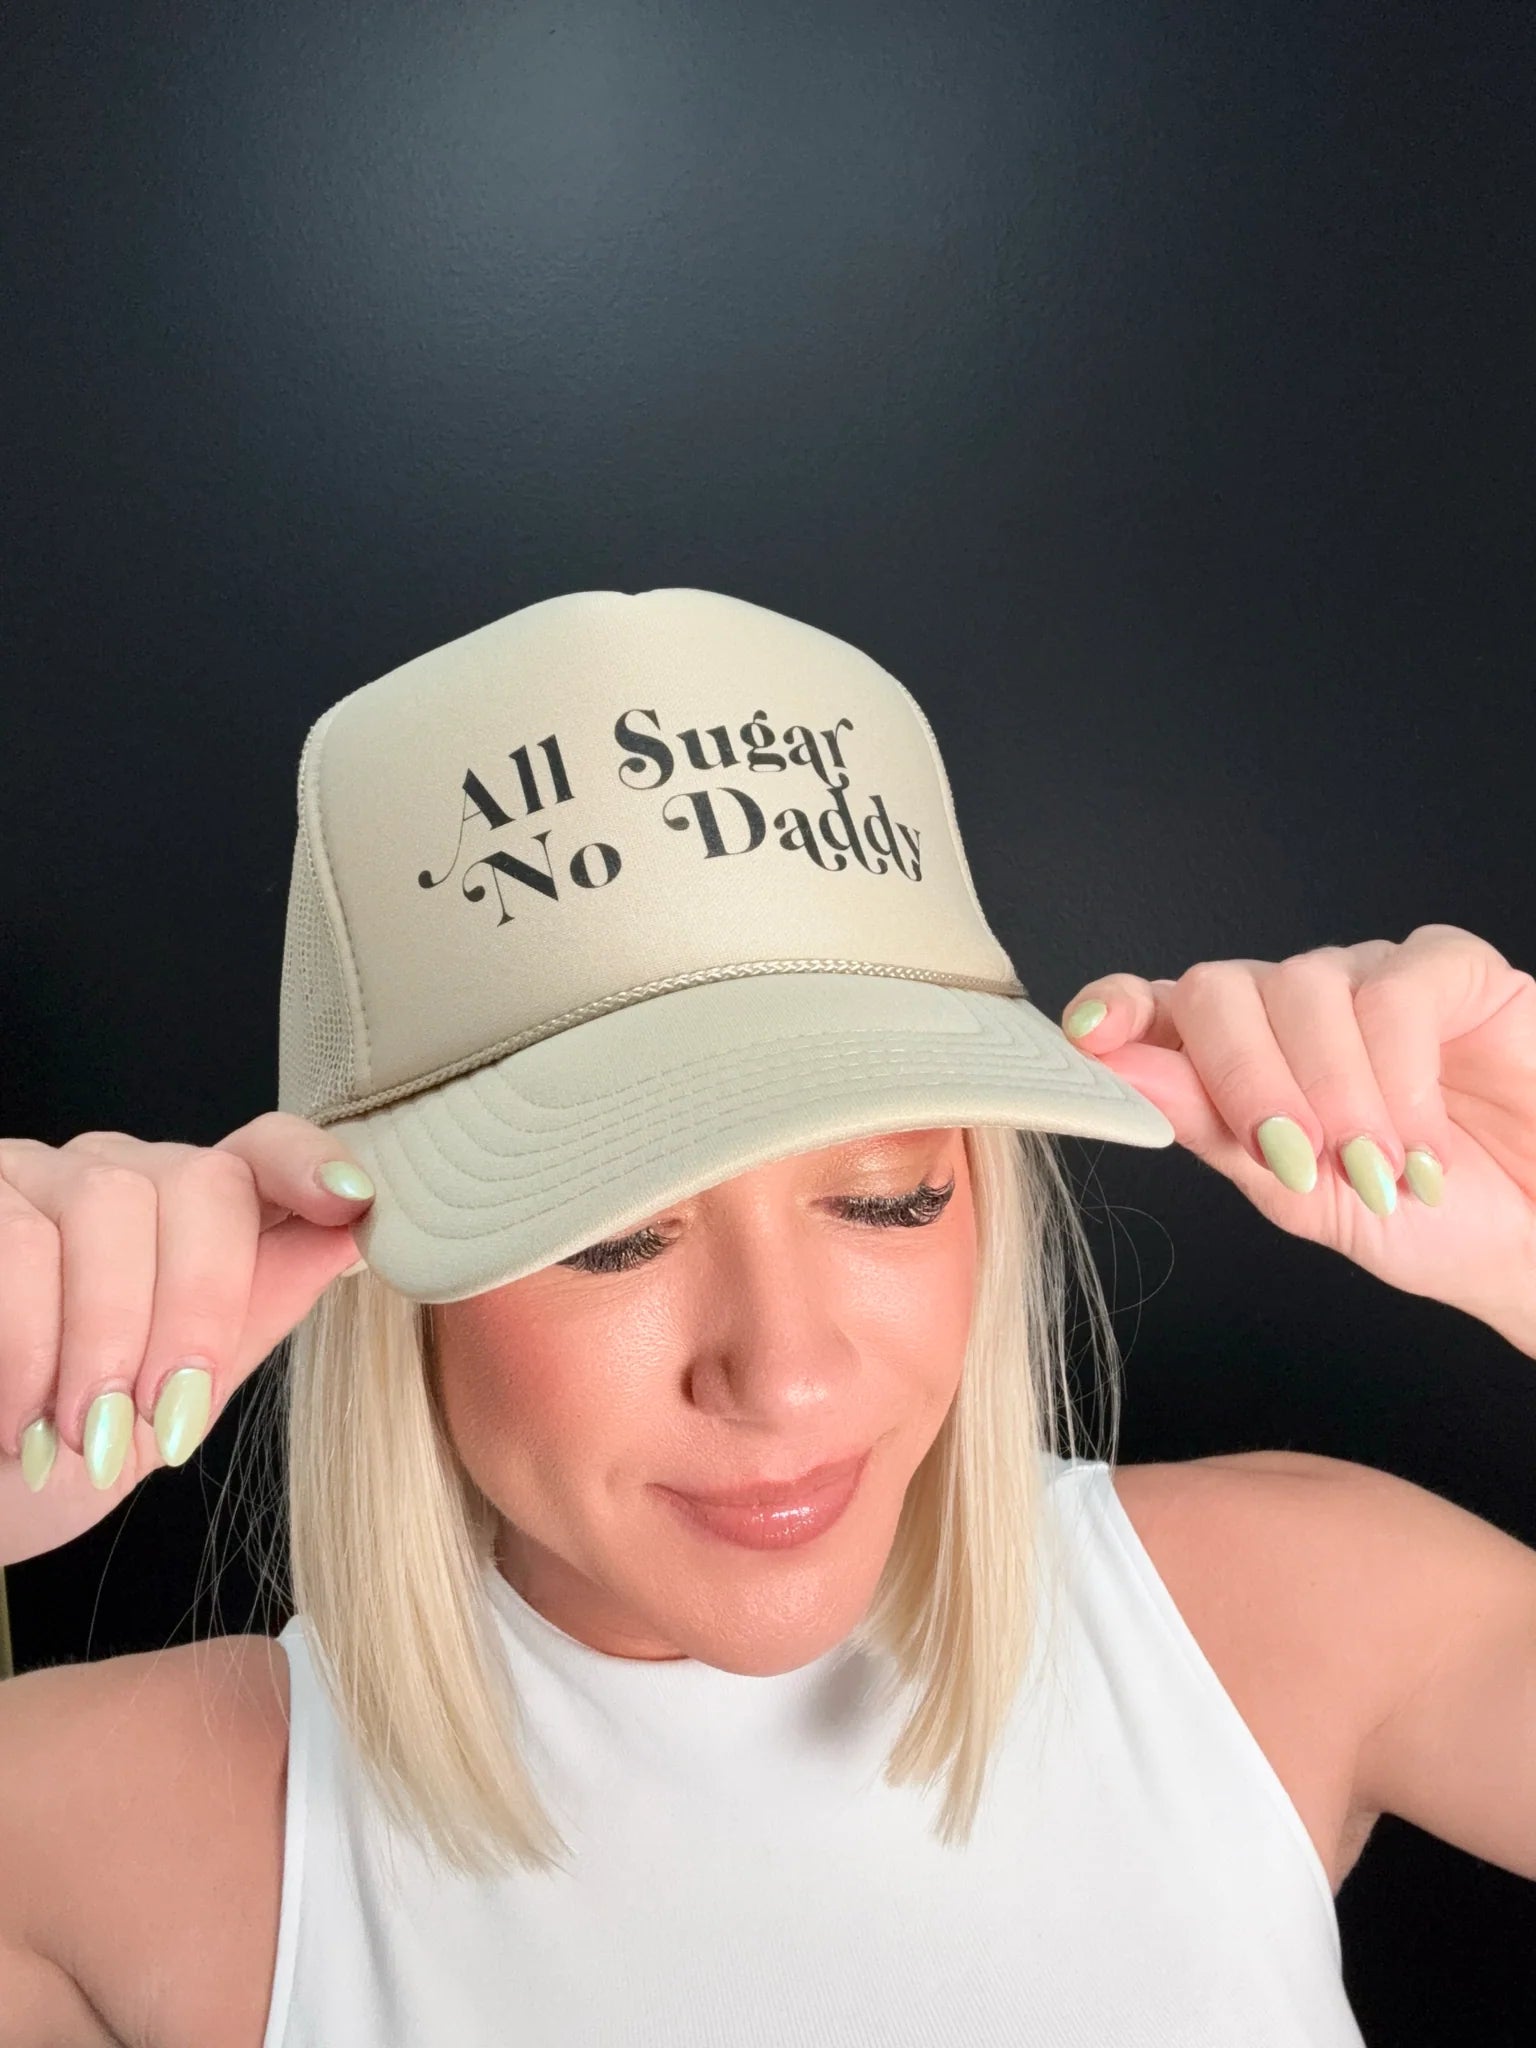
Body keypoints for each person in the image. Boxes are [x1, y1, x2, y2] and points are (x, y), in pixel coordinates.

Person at [0, 587, 1532, 2048]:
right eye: (611, 1239)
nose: (785, 1373)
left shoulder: (1293, 1612)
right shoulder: (100, 1838)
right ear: (387, 1272)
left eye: (885, 1200)